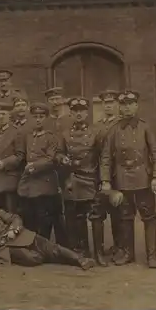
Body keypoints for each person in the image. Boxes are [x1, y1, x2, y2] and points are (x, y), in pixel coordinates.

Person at [100, 90, 156, 268]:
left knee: (149, 217)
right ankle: (129, 254)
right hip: (122, 180)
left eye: (130, 104)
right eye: (123, 105)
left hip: (143, 179)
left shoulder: (146, 127)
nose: (127, 108)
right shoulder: (114, 129)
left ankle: (152, 255)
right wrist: (105, 180)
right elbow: (106, 157)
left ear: (136, 106)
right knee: (125, 217)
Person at [0, 192, 95, 270]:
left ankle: (80, 260)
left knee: (53, 248)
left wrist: (13, 230)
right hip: (7, 248)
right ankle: (56, 258)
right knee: (34, 259)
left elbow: (15, 218)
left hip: (22, 235)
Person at [56, 97, 103, 262]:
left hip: (90, 178)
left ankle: (99, 252)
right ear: (71, 112)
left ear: (87, 112)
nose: (78, 114)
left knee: (96, 216)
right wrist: (62, 159)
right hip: (72, 179)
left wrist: (102, 179)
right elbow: (59, 152)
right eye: (75, 111)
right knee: (77, 217)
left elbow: (102, 157)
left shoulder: (95, 132)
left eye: (81, 111)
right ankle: (82, 250)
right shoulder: (65, 134)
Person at [17, 102, 59, 240]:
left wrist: (33, 166)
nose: (38, 119)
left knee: (43, 216)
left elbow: (50, 158)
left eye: (41, 116)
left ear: (46, 118)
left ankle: (44, 244)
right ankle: (31, 243)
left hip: (44, 181)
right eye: (35, 116)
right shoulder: (28, 136)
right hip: (29, 181)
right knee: (30, 214)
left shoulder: (51, 136)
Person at [95, 90, 123, 259]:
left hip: (118, 173)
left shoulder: (121, 125)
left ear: (117, 105)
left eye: (112, 102)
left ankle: (119, 246)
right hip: (100, 173)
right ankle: (101, 247)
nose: (109, 105)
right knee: (99, 210)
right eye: (106, 103)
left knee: (118, 212)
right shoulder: (96, 126)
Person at [0, 101, 25, 214]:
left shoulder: (17, 132)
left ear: (9, 115)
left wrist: (5, 162)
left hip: (10, 177)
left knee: (11, 211)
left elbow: (20, 155)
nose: (1, 117)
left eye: (3, 114)